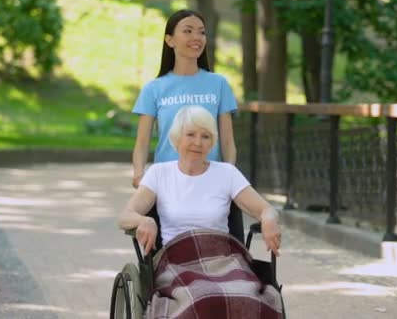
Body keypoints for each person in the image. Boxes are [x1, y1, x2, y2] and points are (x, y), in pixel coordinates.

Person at [119, 105, 283, 318]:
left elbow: (266, 209)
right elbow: (124, 216)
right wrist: (144, 221)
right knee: (202, 298)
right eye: (191, 134)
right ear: (177, 137)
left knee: (245, 295)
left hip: (225, 259)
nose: (198, 142)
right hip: (177, 260)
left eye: (205, 136)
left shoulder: (227, 173)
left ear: (212, 141)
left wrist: (269, 219)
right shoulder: (159, 174)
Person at [131, 9, 237, 189]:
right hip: (166, 182)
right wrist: (139, 173)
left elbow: (227, 141)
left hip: (210, 180)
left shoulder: (219, 84)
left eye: (201, 32)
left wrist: (229, 175)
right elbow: (142, 142)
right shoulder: (153, 89)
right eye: (188, 31)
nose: (196, 37)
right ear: (169, 40)